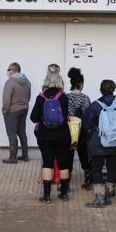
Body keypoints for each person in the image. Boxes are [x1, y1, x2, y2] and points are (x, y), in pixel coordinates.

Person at [30, 64, 71, 203]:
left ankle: (47, 196)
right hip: (62, 135)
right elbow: (66, 115)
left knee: (47, 163)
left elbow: (33, 118)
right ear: (60, 81)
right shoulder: (64, 97)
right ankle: (64, 194)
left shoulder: (41, 97)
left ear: (46, 80)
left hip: (45, 136)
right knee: (63, 163)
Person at [83, 80, 116, 207]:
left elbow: (86, 124)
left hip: (98, 144)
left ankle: (100, 198)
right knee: (112, 167)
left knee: (96, 170)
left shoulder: (95, 105)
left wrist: (92, 136)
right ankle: (109, 193)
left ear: (100, 89)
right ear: (113, 89)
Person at [67, 68, 92, 190]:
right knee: (84, 155)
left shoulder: (66, 97)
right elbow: (88, 115)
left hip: (70, 130)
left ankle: (66, 182)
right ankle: (88, 181)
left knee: (68, 156)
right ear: (81, 84)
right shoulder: (86, 98)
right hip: (82, 131)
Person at [2, 62, 31, 163]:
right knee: (22, 132)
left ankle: (13, 157)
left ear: (14, 70)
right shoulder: (27, 82)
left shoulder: (10, 82)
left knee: (12, 134)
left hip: (12, 111)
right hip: (24, 109)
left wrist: (5, 110)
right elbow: (29, 97)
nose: (8, 71)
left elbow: (6, 99)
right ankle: (25, 155)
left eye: (9, 69)